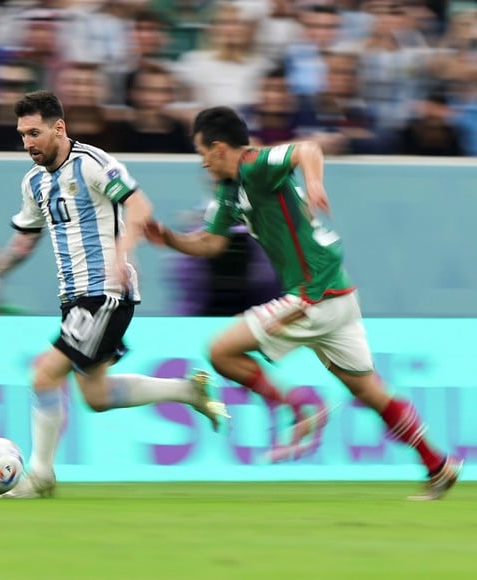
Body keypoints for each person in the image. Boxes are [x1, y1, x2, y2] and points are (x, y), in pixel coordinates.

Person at [144, 106, 462, 501]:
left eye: (202, 153)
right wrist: (169, 239)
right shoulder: (229, 192)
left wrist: (314, 184)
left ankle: (298, 407)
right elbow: (211, 242)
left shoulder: (256, 165)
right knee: (369, 390)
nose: (203, 162)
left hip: (312, 295)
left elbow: (307, 149)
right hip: (337, 293)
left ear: (220, 148)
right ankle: (437, 465)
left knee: (220, 351)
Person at [0, 90, 229, 499]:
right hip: (74, 298)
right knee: (97, 396)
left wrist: (123, 254)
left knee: (45, 374)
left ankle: (41, 477)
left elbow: (140, 206)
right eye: (22, 135)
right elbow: (25, 238)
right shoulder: (33, 182)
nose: (28, 143)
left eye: (34, 133)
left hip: (105, 292)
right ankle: (187, 391)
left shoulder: (92, 164)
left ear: (59, 128)